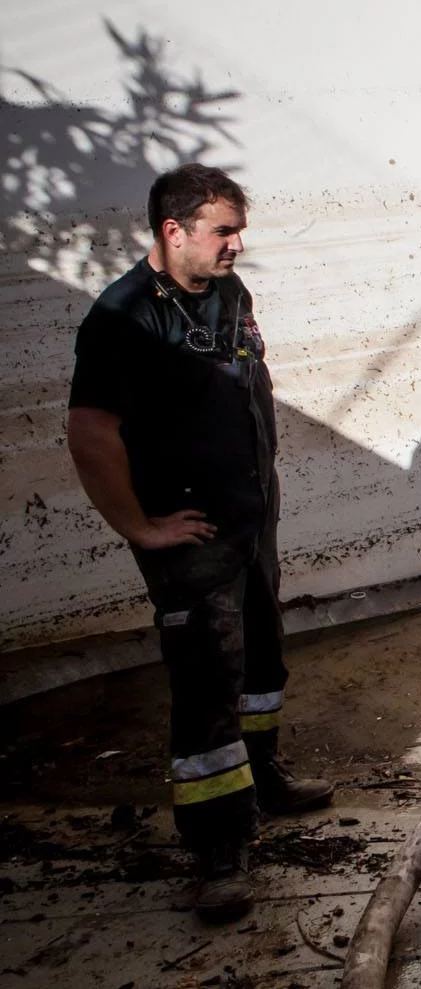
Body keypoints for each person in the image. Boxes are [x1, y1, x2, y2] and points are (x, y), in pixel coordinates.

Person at [66, 164, 333, 924]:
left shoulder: (228, 293)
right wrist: (141, 527)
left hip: (250, 518)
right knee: (206, 682)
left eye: (238, 229)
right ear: (172, 230)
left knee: (258, 658)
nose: (237, 244)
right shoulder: (121, 319)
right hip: (189, 534)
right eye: (223, 230)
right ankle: (219, 848)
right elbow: (90, 432)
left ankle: (264, 775)